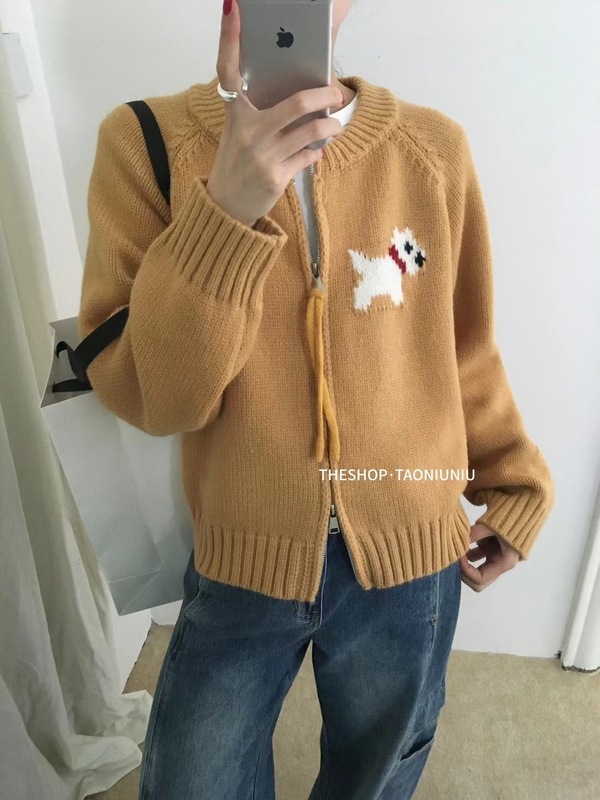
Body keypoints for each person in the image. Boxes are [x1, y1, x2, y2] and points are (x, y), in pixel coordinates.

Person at [77, 0, 555, 797]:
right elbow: (158, 400)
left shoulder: (431, 148)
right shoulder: (145, 143)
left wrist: (515, 480)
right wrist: (227, 208)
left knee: (377, 775)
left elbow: (462, 346)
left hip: (413, 557)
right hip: (242, 555)